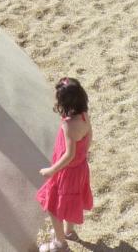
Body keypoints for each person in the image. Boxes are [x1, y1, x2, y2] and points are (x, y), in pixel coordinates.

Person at [34, 77, 94, 252]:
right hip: (80, 168)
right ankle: (68, 232)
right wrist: (83, 155)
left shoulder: (68, 125)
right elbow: (89, 136)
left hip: (66, 171)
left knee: (54, 207)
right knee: (73, 199)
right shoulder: (84, 115)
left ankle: (59, 245)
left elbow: (69, 154)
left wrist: (51, 171)